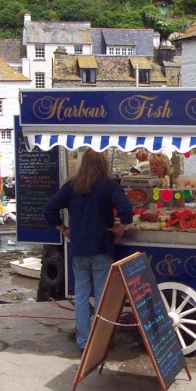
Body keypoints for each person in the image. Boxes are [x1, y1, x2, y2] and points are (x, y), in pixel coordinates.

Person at [44, 149, 134, 350]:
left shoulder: (72, 186)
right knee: (102, 296)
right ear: (104, 164)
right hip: (102, 246)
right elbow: (126, 210)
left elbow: (49, 208)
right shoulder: (108, 186)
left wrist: (63, 229)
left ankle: (84, 340)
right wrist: (120, 229)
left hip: (79, 248)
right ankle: (101, 340)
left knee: (82, 296)